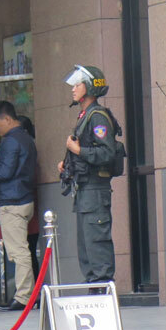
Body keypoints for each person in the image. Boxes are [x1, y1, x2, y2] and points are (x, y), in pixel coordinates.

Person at [58, 65, 118, 284]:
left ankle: (101, 290)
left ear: (90, 87)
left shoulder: (97, 116)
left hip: (95, 189)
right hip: (85, 189)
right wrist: (68, 163)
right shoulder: (85, 115)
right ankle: (94, 287)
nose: (73, 89)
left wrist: (78, 151)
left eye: (78, 84)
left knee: (97, 247)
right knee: (86, 249)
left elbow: (107, 153)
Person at [0, 101, 37, 311]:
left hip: (12, 202)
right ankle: (26, 294)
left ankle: (24, 296)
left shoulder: (10, 141)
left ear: (7, 119)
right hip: (24, 198)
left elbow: (5, 172)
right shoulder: (26, 138)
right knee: (21, 249)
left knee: (18, 251)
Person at [18, 115, 41, 280]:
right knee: (27, 251)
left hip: (25, 201)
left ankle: (33, 289)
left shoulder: (26, 147)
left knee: (28, 250)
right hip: (27, 201)